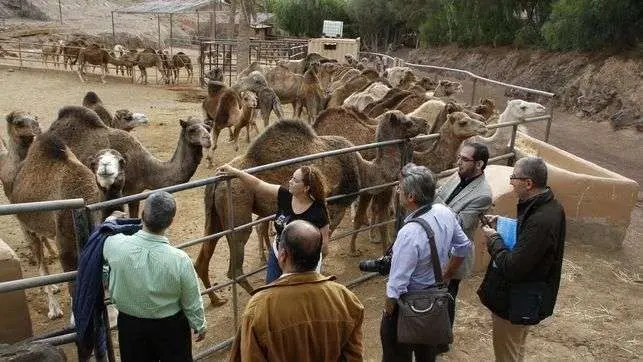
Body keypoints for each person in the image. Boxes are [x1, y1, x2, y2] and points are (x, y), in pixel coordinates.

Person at [230, 219, 364, 361]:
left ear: (282, 255)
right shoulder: (346, 299)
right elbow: (354, 357)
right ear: (318, 256)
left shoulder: (259, 308)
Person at [381, 163, 472, 362]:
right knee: (427, 356)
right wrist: (446, 275)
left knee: (395, 356)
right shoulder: (444, 212)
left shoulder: (409, 233)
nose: (397, 190)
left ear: (411, 197)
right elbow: (463, 246)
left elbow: (397, 284)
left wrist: (388, 313)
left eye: (400, 187)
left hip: (406, 305)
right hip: (434, 301)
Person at [478, 157, 566, 362]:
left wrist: (494, 239)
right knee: (516, 350)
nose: (510, 182)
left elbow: (512, 266)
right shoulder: (548, 206)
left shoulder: (542, 220)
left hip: (516, 299)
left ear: (528, 183)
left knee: (507, 354)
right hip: (525, 297)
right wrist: (504, 223)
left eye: (514, 177)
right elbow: (530, 237)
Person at [103, 191, 206, 362]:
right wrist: (199, 324)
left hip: (130, 326)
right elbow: (191, 298)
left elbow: (105, 233)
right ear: (170, 222)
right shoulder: (180, 260)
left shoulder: (113, 245)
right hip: (171, 328)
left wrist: (110, 220)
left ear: (142, 215)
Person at [216, 164, 330, 283]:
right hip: (278, 252)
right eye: (291, 178)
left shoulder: (318, 212)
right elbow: (258, 185)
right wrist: (236, 172)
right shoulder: (285, 195)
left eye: (295, 180)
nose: (290, 181)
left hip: (302, 265)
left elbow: (324, 246)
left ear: (306, 188)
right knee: (271, 288)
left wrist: (306, 266)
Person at [435, 141, 492, 329]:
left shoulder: (483, 194)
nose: (459, 161)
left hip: (455, 254)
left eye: (465, 159)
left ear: (479, 164)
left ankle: (442, 340)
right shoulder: (457, 175)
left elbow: (458, 223)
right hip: (437, 245)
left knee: (446, 297)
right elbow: (440, 192)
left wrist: (431, 198)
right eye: (460, 157)